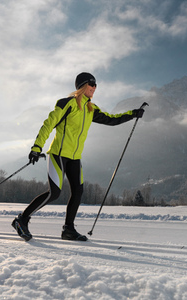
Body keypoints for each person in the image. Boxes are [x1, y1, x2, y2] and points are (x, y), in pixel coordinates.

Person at [12, 72, 145, 241]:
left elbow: (111, 119)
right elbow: (48, 124)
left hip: (75, 158)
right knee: (54, 193)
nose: (95, 87)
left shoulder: (91, 109)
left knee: (78, 191)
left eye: (96, 85)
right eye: (92, 84)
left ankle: (68, 229)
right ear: (83, 86)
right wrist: (37, 147)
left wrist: (133, 114)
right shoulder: (66, 103)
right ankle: (21, 220)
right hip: (58, 155)